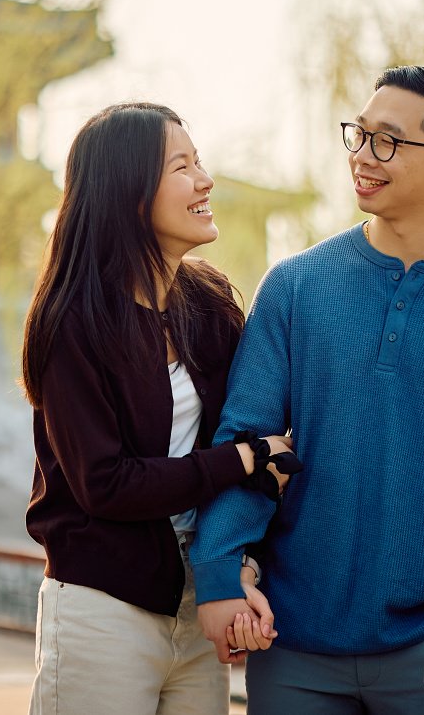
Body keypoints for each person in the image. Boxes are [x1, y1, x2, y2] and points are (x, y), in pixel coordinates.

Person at [190, 66, 424, 714]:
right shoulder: (295, 288)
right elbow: (247, 441)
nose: (362, 156)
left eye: (387, 141)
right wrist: (221, 575)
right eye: (358, 135)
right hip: (293, 651)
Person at [22, 102, 297, 715]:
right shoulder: (74, 323)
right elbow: (106, 485)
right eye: (182, 166)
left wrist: (239, 567)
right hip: (103, 606)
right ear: (129, 189)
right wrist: (243, 460)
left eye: (199, 162)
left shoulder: (211, 305)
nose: (205, 181)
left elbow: (249, 435)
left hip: (198, 604)